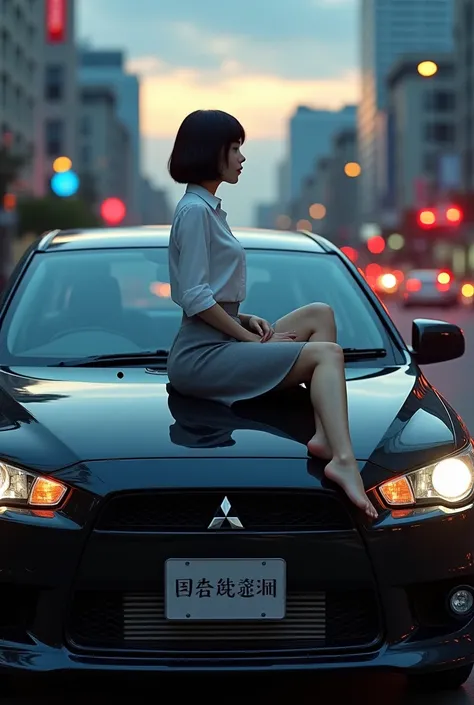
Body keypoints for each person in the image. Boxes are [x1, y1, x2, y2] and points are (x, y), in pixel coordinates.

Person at [166, 109, 377, 520]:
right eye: (235, 148)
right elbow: (193, 297)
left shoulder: (207, 209)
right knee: (328, 353)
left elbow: (210, 294)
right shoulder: (193, 212)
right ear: (212, 153)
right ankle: (344, 460)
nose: (242, 158)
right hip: (200, 357)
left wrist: (246, 320)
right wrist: (247, 340)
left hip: (221, 341)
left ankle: (321, 436)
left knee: (319, 314)